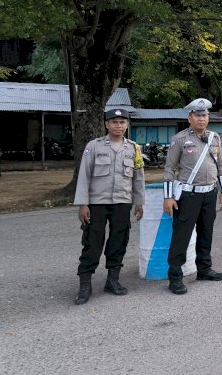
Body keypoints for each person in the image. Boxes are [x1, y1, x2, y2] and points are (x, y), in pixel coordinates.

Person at [73, 108, 145, 305]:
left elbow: (138, 177)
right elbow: (84, 176)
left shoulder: (133, 149)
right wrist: (83, 203)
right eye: (114, 122)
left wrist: (139, 202)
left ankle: (112, 280)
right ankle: (85, 285)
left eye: (122, 122)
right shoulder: (94, 146)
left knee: (118, 240)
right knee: (92, 241)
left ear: (127, 125)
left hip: (123, 202)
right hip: (97, 203)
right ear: (107, 124)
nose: (118, 126)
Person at [163, 98, 222, 295]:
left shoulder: (215, 138)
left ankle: (204, 269)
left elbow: (220, 167)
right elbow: (169, 169)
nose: (202, 119)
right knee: (181, 236)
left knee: (206, 233)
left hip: (210, 193)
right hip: (188, 195)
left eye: (205, 115)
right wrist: (168, 197)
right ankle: (175, 276)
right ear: (190, 118)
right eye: (198, 115)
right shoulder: (179, 139)